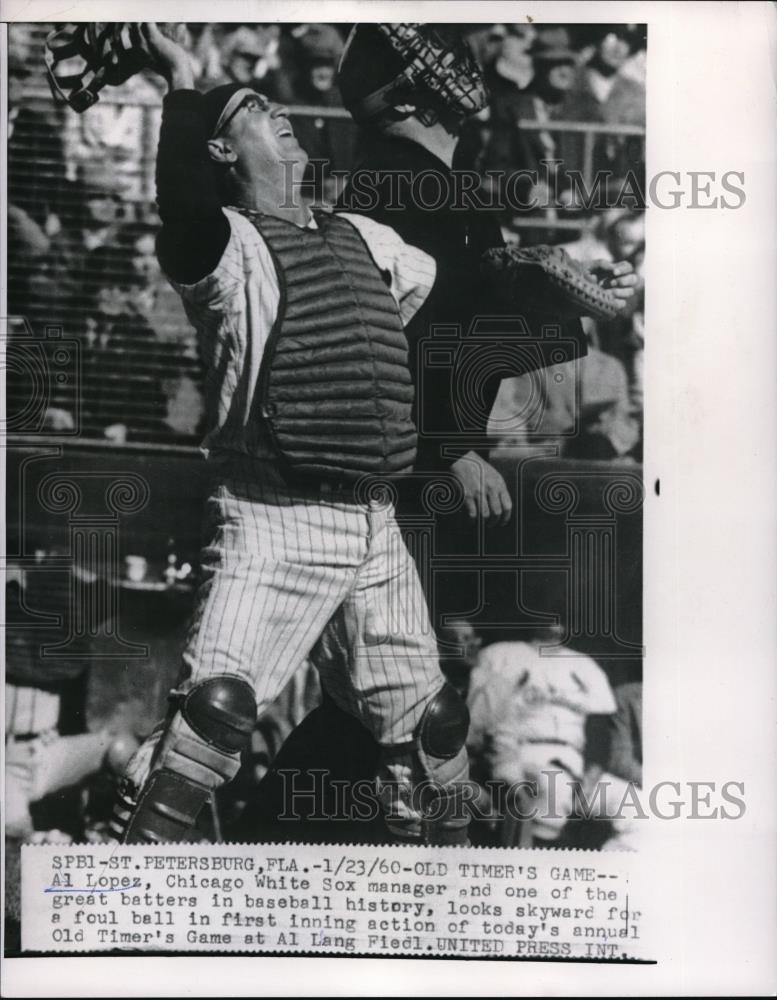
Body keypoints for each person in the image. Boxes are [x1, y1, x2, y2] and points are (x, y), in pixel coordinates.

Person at [111, 23, 471, 847]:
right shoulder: (226, 246)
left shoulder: (367, 240)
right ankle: (116, 889)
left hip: (374, 523)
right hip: (271, 512)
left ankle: (454, 906)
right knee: (216, 713)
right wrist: (183, 79)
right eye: (253, 109)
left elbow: (442, 278)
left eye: (275, 105)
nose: (280, 114)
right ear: (218, 147)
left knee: (432, 729)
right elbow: (183, 202)